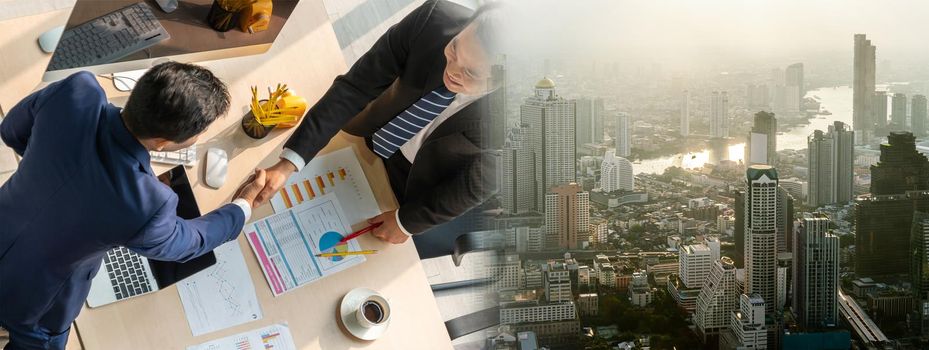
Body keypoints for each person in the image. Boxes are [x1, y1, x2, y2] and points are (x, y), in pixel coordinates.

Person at [0, 62, 265, 350]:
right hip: (37, 308)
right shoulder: (148, 204)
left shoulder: (76, 91)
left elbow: (12, 132)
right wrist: (244, 205)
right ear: (163, 142)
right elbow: (189, 242)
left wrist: (50, 165)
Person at [255, 0, 500, 257]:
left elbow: (475, 185)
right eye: (453, 50)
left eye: (470, 73)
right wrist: (289, 163)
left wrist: (406, 223)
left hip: (410, 188)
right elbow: (356, 86)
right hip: (368, 135)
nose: (451, 70)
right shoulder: (434, 19)